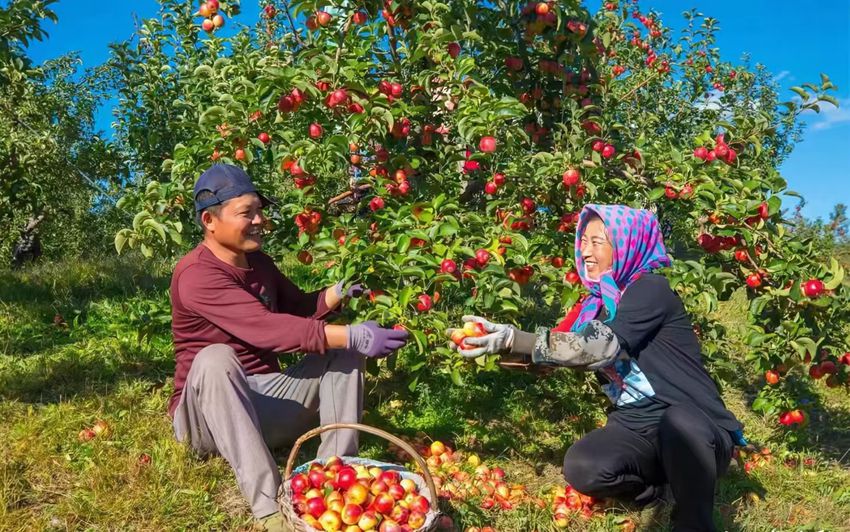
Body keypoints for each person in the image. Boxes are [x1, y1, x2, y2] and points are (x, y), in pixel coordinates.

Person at [448, 204, 745, 532]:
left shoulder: (649, 290)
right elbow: (561, 351)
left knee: (679, 421)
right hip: (636, 427)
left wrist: (513, 338)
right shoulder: (595, 304)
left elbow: (597, 347)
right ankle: (656, 491)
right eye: (583, 242)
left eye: (597, 242)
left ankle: (693, 521)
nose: (586, 252)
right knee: (583, 467)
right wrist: (495, 343)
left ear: (626, 245)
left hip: (694, 430)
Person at [169, 164, 409, 531]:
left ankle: (335, 478)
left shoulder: (260, 262)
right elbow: (267, 329)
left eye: (260, 210)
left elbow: (297, 310)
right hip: (206, 421)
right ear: (209, 220)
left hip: (262, 402)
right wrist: (354, 334)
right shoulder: (195, 274)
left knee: (342, 350)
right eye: (246, 213)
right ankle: (270, 509)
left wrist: (337, 293)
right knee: (216, 358)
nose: (259, 220)